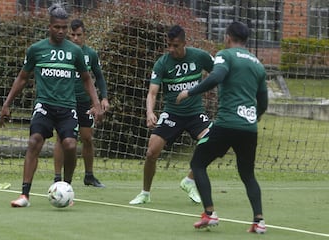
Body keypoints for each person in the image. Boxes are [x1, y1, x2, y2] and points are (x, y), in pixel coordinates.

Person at [0, 3, 103, 207]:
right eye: (57, 27)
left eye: (64, 27)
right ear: (50, 26)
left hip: (67, 108)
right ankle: (24, 195)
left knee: (70, 145)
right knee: (33, 142)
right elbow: (22, 78)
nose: (62, 31)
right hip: (44, 106)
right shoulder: (36, 50)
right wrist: (7, 103)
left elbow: (86, 79)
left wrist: (96, 102)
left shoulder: (74, 51)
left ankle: (66, 188)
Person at [176, 21, 268, 233]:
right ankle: (259, 221)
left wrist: (190, 92)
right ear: (245, 40)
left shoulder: (225, 55)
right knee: (248, 175)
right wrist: (256, 117)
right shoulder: (257, 64)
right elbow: (263, 102)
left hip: (226, 125)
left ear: (228, 37)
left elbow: (216, 77)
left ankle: (209, 213)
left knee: (198, 163)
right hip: (249, 128)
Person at [129, 25, 214, 205]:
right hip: (172, 114)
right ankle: (145, 193)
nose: (171, 49)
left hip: (195, 113)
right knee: (152, 152)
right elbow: (152, 93)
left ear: (184, 43)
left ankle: (189, 181)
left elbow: (219, 73)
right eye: (169, 45)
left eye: (175, 45)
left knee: (212, 142)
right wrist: (150, 112)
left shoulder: (199, 56)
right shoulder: (162, 63)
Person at [53, 19, 110, 187]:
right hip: (65, 102)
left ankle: (89, 176)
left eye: (79, 35)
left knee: (87, 138)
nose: (76, 38)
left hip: (84, 103)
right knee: (61, 139)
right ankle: (57, 178)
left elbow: (98, 77)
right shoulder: (62, 52)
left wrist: (103, 98)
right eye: (73, 35)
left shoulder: (90, 54)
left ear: (84, 35)